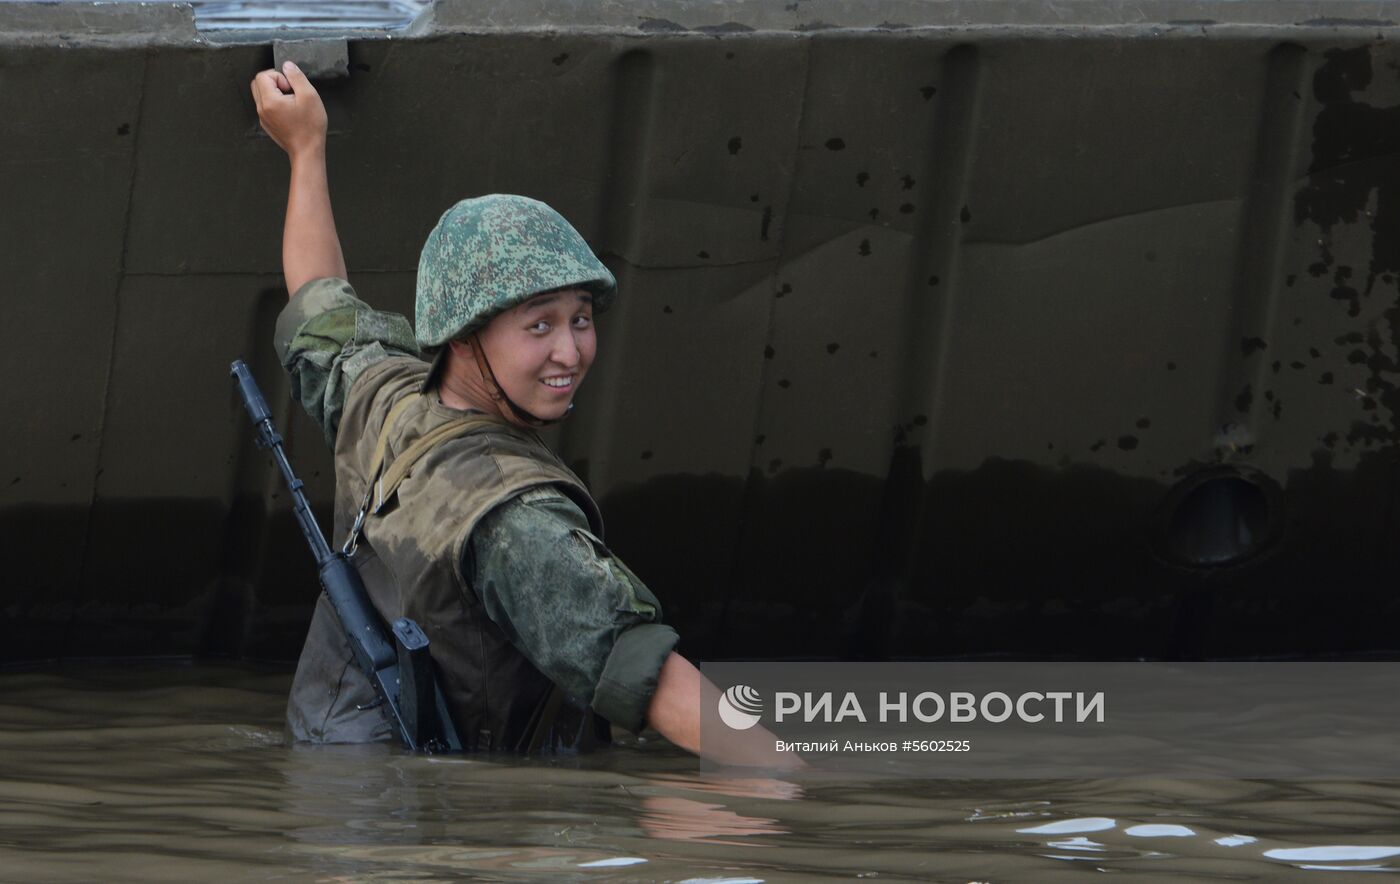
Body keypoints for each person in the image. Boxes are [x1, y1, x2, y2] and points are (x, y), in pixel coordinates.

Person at [251, 62, 798, 767]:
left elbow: (320, 297)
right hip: (444, 827)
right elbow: (646, 677)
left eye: (581, 318)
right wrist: (797, 790)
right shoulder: (517, 522)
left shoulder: (382, 398)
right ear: (465, 338)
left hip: (334, 779)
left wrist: (306, 149)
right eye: (538, 327)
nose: (570, 351)